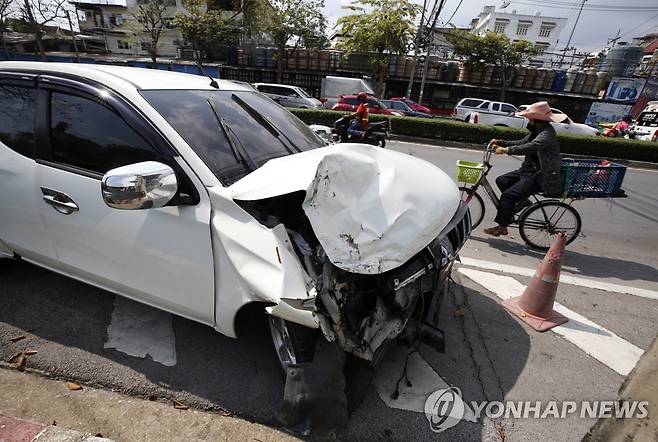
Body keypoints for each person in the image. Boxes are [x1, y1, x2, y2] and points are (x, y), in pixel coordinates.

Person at [483, 101, 565, 237]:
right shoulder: (536, 131)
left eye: (529, 118)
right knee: (501, 181)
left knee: (508, 196)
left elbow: (531, 147)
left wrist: (507, 150)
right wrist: (500, 142)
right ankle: (522, 201)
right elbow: (522, 142)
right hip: (527, 171)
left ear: (535, 119)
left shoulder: (546, 133)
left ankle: (502, 227)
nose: (528, 120)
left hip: (540, 175)